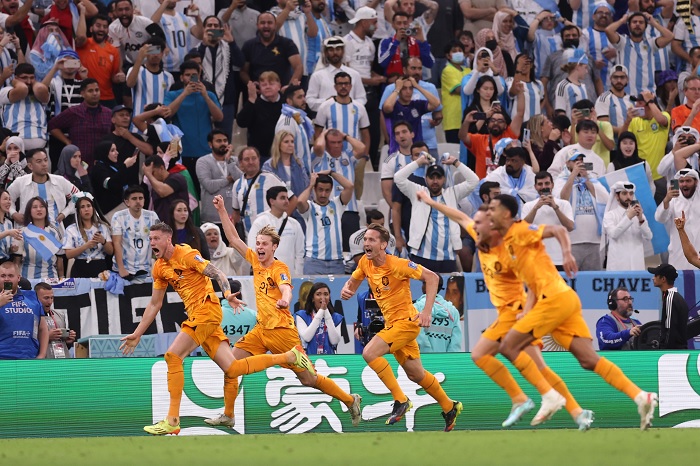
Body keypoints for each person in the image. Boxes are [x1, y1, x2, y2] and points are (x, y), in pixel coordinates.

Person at [119, 222, 316, 435]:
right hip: (198, 316)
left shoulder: (186, 254)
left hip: (207, 311)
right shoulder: (159, 267)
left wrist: (227, 293)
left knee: (173, 356)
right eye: (150, 240)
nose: (152, 243)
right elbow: (155, 304)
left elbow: (218, 274)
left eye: (156, 239)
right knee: (232, 368)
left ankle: (172, 420)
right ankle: (288, 357)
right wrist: (138, 333)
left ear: (168, 239)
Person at [416, 194, 592, 429]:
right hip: (509, 313)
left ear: (493, 228)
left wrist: (528, 308)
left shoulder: (508, 251)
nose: (474, 229)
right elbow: (458, 216)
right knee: (539, 367)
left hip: (515, 312)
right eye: (474, 225)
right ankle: (575, 411)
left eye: (479, 225)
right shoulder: (482, 237)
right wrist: (429, 201)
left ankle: (523, 399)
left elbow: (532, 283)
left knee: (480, 354)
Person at [489, 193, 658, 431]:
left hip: (554, 301)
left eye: (493, 208)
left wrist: (567, 254)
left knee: (508, 345)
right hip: (563, 299)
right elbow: (534, 283)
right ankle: (641, 396)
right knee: (589, 361)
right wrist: (526, 311)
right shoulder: (508, 243)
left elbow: (558, 231)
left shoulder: (520, 230)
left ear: (506, 214)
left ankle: (549, 396)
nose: (488, 213)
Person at [212, 195, 362, 428]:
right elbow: (232, 238)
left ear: (274, 247)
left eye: (264, 244)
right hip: (262, 330)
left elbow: (286, 289)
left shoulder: (279, 268)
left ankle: (350, 400)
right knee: (230, 365)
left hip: (283, 332)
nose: (259, 247)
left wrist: (284, 299)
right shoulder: (254, 260)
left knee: (309, 379)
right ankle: (229, 415)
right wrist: (222, 210)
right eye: (258, 243)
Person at [340, 223, 463, 432]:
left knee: (369, 353)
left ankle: (400, 400)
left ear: (383, 245)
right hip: (393, 326)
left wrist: (426, 312)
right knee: (416, 375)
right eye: (365, 240)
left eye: (371, 240)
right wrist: (348, 289)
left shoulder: (398, 264)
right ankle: (449, 406)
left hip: (406, 323)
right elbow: (354, 280)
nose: (366, 243)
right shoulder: (364, 262)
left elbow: (432, 278)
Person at [395, 153, 478, 273]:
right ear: (426, 179)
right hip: (421, 255)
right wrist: (418, 162)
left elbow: (474, 181)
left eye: (438, 178)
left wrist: (456, 162)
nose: (435, 181)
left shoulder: (453, 193)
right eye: (431, 177)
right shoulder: (418, 192)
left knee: (447, 291)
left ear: (444, 179)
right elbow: (398, 178)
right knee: (421, 291)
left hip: (448, 256)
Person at [47, 78, 113, 168]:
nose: (94, 93)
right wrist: (67, 141)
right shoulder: (74, 112)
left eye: (97, 90)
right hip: (80, 162)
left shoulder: (108, 113)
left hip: (102, 162)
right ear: (82, 94)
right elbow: (52, 125)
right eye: (90, 91)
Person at [164, 63, 224, 163]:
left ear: (199, 77)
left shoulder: (209, 95)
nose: (191, 78)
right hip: (179, 150)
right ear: (181, 77)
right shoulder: (172, 95)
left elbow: (219, 117)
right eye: (187, 75)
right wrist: (185, 94)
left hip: (204, 151)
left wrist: (205, 96)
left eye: (194, 75)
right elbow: (167, 114)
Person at [297, 171, 354, 275]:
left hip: (337, 262)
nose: (323, 194)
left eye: (327, 190)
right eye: (320, 190)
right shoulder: (309, 207)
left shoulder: (337, 204)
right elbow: (300, 201)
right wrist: (310, 185)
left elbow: (349, 186)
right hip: (314, 262)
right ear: (315, 189)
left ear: (331, 190)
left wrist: (331, 172)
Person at [604, 12, 673, 97]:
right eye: (634, 22)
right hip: (626, 95)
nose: (637, 24)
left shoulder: (651, 43)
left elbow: (670, 36)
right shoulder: (623, 42)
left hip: (648, 95)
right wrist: (622, 20)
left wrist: (654, 23)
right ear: (629, 26)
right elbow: (608, 30)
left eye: (641, 22)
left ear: (645, 26)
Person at [231, 146, 292, 240]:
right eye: (247, 159)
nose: (251, 162)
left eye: (254, 158)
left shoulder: (270, 178)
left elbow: (292, 198)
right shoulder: (237, 184)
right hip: (248, 238)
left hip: (271, 237)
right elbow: (236, 213)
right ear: (241, 163)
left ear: (259, 160)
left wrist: (283, 221)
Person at [8, 150, 79, 228]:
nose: (44, 164)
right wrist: (13, 213)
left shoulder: (60, 181)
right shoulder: (20, 182)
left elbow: (79, 196)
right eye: (39, 161)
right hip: (26, 231)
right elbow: (6, 199)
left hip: (55, 232)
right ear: (30, 166)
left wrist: (65, 213)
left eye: (45, 160)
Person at [521, 172, 575, 271]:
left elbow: (570, 227)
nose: (544, 187)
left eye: (547, 183)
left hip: (560, 259)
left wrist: (555, 208)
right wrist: (536, 208)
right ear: (535, 187)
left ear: (552, 185)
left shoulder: (564, 204)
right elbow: (523, 229)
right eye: (540, 184)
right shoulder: (528, 206)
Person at [247, 186, 305, 276]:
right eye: (282, 198)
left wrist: (297, 275)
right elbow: (252, 250)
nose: (287, 201)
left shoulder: (294, 224)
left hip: (289, 277)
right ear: (272, 201)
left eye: (287, 198)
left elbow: (300, 253)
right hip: (267, 277)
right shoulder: (260, 222)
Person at [111, 185, 160, 281]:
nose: (138, 201)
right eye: (134, 199)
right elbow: (116, 243)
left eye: (140, 198)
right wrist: (121, 269)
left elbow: (158, 242)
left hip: (146, 270)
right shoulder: (118, 217)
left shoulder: (152, 216)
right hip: (124, 270)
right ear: (127, 202)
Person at [0, 261, 48, 360]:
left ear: (18, 278)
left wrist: (42, 355)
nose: (6, 279)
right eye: (3, 276)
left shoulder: (32, 297)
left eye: (10, 276)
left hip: (28, 357)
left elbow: (43, 328)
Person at [655, 168, 700, 270]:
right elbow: (660, 218)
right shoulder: (673, 200)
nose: (684, 184)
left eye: (688, 181)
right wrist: (666, 200)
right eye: (681, 181)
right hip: (678, 255)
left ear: (696, 182)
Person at [240, 12, 302, 86]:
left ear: (275, 25)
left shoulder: (287, 43)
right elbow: (243, 71)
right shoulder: (249, 45)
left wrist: (289, 88)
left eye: (270, 23)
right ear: (257, 25)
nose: (266, 26)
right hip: (257, 93)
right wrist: (250, 84)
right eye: (262, 23)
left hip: (281, 93)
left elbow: (298, 67)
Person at [306, 36, 366, 112]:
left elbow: (362, 98)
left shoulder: (354, 74)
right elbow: (310, 100)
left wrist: (349, 104)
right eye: (331, 50)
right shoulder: (317, 76)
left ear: (343, 51)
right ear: (326, 53)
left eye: (338, 49)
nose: (335, 53)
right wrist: (328, 101)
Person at [602, 181, 652, 271]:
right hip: (618, 266)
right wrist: (629, 217)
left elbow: (649, 237)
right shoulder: (610, 215)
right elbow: (613, 234)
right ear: (617, 196)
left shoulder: (639, 215)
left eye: (631, 193)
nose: (628, 197)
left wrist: (641, 219)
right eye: (624, 193)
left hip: (637, 265)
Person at [0, 63, 50, 152]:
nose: (29, 81)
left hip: (39, 147)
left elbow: (40, 88)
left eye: (32, 77)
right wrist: (14, 82)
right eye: (24, 77)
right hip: (14, 145)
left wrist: (32, 82)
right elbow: (22, 89)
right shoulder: (5, 91)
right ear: (16, 78)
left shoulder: (39, 93)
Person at [195, 130, 241, 227]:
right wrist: (229, 179)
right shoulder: (203, 161)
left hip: (233, 218)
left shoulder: (235, 160)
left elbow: (242, 182)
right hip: (212, 220)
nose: (223, 143)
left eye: (225, 140)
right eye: (219, 141)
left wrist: (229, 161)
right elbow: (209, 186)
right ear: (210, 144)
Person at [75, 14, 122, 107]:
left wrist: (119, 77)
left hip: (106, 97)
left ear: (108, 30)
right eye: (98, 25)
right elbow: (80, 36)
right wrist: (83, 11)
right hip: (83, 96)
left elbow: (114, 77)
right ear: (91, 29)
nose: (101, 29)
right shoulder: (83, 43)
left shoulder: (113, 51)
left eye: (105, 27)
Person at [236, 71, 283, 161]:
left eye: (271, 84)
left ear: (279, 86)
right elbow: (241, 122)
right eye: (264, 85)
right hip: (259, 155)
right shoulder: (254, 103)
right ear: (259, 87)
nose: (268, 87)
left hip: (281, 154)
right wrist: (251, 99)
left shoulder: (286, 102)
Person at [63, 192, 113, 278]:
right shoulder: (71, 229)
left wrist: (103, 241)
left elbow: (111, 251)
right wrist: (85, 246)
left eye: (89, 206)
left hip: (100, 267)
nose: (86, 209)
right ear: (78, 211)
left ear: (93, 208)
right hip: (80, 267)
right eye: (82, 207)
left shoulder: (103, 227)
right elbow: (68, 255)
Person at [16, 196, 64, 279]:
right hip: (27, 278)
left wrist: (62, 279)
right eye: (35, 207)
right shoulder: (22, 232)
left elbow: (59, 258)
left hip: (51, 278)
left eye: (42, 206)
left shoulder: (54, 232)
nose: (39, 209)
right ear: (29, 211)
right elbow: (17, 261)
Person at [89, 141, 139, 221]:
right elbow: (111, 184)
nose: (117, 153)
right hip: (110, 209)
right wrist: (125, 166)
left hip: (123, 205)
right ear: (104, 152)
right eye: (112, 150)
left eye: (116, 150)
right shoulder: (98, 169)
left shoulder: (112, 166)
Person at [414, 275, 462, 353]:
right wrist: (450, 360)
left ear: (425, 286)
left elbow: (420, 339)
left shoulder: (416, 308)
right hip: (446, 362)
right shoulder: (453, 311)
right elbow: (455, 343)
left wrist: (430, 357)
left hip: (423, 360)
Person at [296, 281, 345, 355]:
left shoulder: (336, 317)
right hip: (308, 358)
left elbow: (334, 341)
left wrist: (326, 313)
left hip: (330, 359)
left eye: (326, 294)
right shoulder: (301, 315)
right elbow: (307, 337)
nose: (323, 297)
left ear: (329, 297)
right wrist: (321, 311)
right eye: (318, 294)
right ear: (312, 298)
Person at [648, 264, 689, 350]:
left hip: (673, 353)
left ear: (663, 279)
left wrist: (664, 352)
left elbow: (669, 330)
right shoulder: (673, 297)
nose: (653, 278)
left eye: (656, 275)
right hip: (676, 351)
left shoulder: (670, 298)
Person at [143, 155, 188, 224]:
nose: (150, 176)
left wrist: (149, 175)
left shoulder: (176, 178)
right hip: (162, 227)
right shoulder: (156, 185)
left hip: (179, 226)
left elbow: (163, 192)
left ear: (161, 168)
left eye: (152, 172)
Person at [35, 281, 75, 359]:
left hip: (62, 361)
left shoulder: (60, 315)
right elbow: (26, 342)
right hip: (43, 363)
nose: (50, 302)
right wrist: (46, 337)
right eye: (46, 298)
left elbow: (64, 344)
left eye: (52, 298)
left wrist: (68, 340)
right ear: (36, 298)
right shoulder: (32, 316)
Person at [441, 41, 470, 143]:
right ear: (448, 55)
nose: (458, 53)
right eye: (454, 51)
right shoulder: (447, 71)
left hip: (467, 119)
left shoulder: (468, 71)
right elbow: (459, 90)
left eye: (460, 50)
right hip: (453, 120)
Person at [596, 64, 633, 136]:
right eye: (615, 77)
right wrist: (625, 130)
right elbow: (603, 125)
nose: (619, 80)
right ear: (610, 79)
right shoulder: (603, 98)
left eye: (622, 77)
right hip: (612, 144)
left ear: (627, 79)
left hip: (630, 144)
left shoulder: (632, 99)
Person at [220, 279, 257, 346]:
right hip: (247, 354)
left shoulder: (214, 314)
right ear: (240, 294)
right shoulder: (254, 315)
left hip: (218, 355)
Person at [0, 189, 21, 263]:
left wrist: (13, 248)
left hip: (6, 262)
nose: (9, 202)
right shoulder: (9, 231)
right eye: (5, 199)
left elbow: (8, 249)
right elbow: (7, 233)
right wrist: (7, 233)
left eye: (9, 199)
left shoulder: (9, 223)